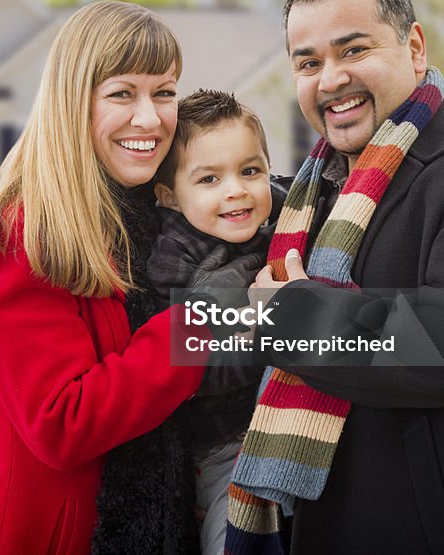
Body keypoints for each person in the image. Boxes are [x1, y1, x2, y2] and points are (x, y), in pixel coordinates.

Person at [224, 0, 444, 554]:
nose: (330, 80)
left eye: (354, 50)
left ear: (415, 47)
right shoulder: (299, 200)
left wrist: (291, 317)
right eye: (309, 62)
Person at [0, 0, 209, 555]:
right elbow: (61, 422)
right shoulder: (20, 235)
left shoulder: (153, 219)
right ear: (73, 102)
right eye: (122, 93)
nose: (151, 118)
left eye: (165, 92)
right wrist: (209, 322)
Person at [148, 89, 284, 554]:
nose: (236, 190)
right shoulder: (174, 259)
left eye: (250, 171)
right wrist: (271, 339)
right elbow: (194, 370)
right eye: (209, 179)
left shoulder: (283, 219)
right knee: (236, 541)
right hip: (221, 447)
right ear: (169, 197)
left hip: (280, 426)